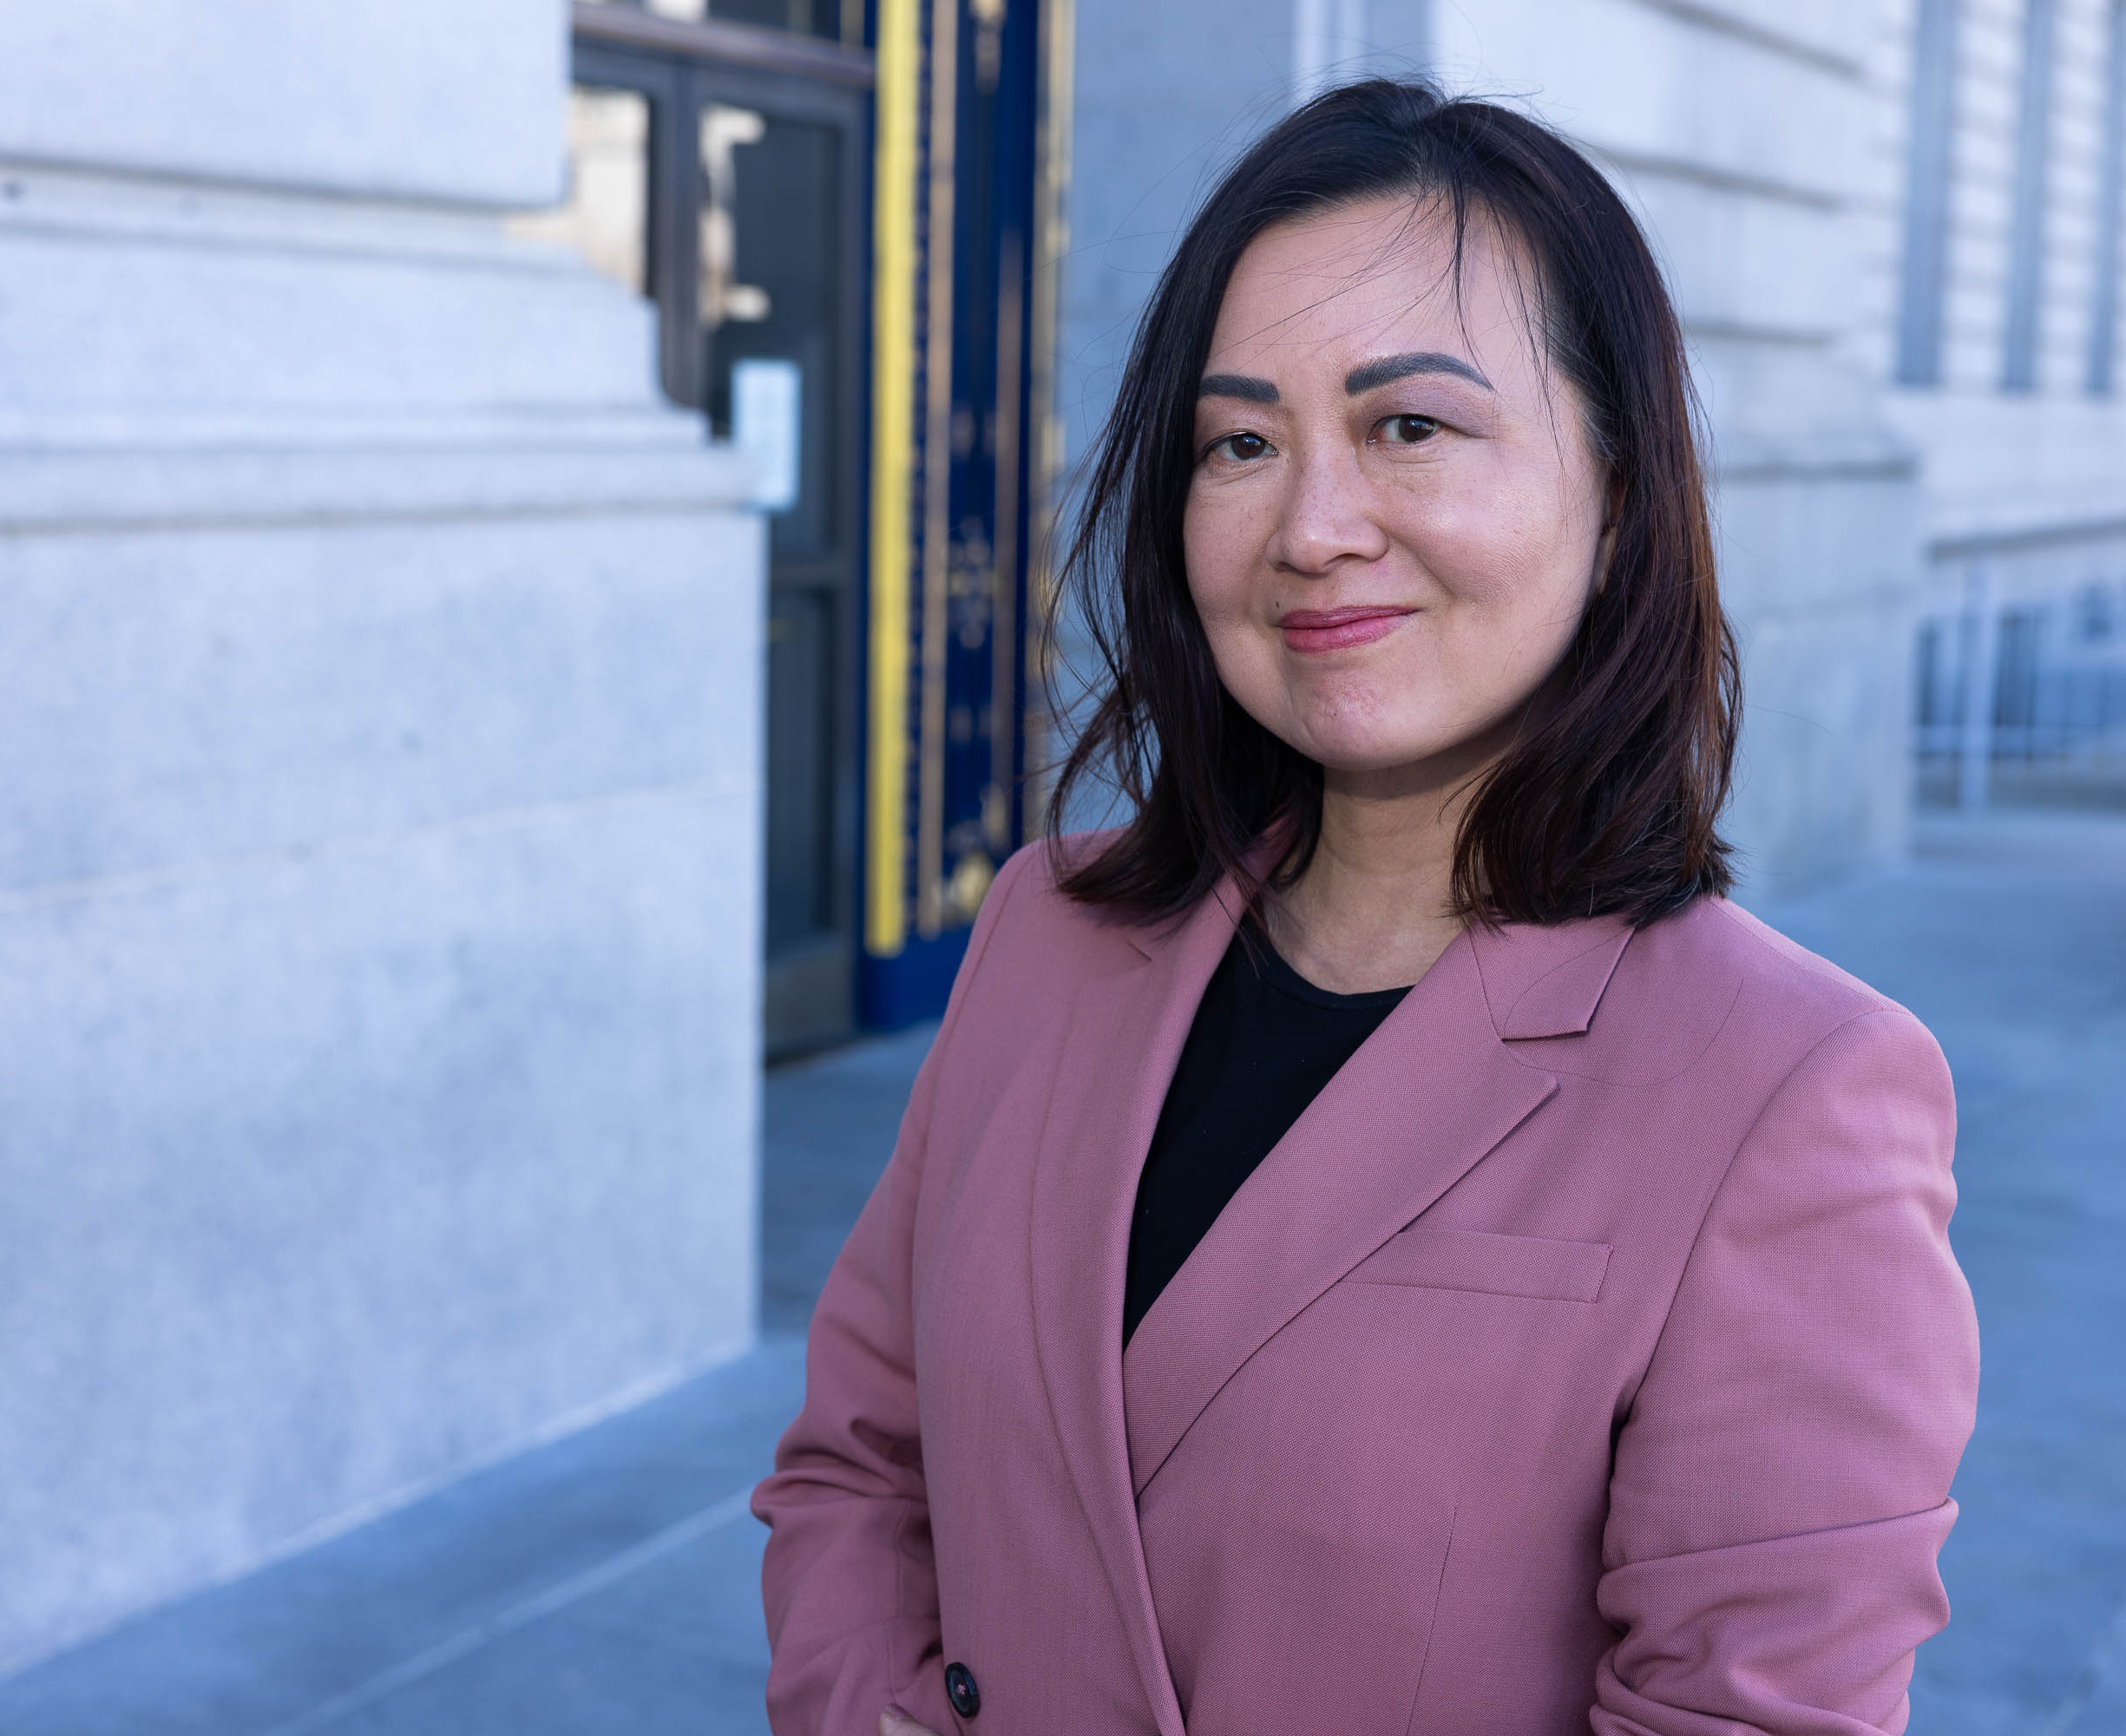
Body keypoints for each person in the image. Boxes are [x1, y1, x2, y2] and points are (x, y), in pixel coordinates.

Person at [754, 79, 1978, 1736]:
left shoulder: (1794, 1091)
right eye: (1241, 442)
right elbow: (856, 1466)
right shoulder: (1052, 931)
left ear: (1617, 495)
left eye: (1411, 425)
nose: (1312, 529)